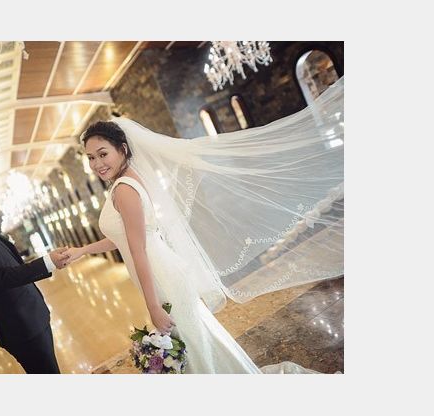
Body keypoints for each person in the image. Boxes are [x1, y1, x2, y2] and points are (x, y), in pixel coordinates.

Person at [64, 78, 344, 373]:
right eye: (91, 158)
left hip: (160, 276)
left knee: (195, 346)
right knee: (199, 343)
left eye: (103, 154)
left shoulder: (123, 189)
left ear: (122, 149)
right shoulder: (129, 179)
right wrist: (82, 251)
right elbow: (127, 236)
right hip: (163, 271)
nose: (97, 164)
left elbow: (138, 249)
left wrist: (153, 306)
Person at [0, 185, 70, 374]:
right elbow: (3, 278)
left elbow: (16, 268)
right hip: (22, 327)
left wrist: (49, 259)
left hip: (33, 318)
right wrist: (48, 262)